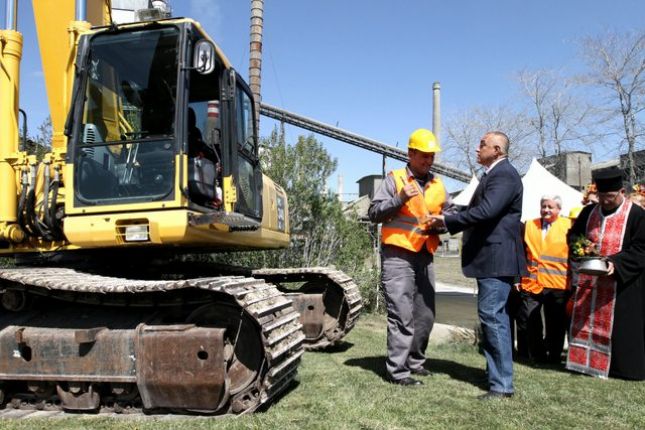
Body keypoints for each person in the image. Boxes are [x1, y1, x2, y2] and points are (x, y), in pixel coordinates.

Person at [430, 131, 526, 399]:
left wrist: (447, 221)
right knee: (495, 317)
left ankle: (501, 384)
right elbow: (482, 209)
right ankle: (496, 375)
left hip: (496, 258)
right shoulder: (494, 175)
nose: (477, 148)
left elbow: (487, 211)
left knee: (492, 317)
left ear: (497, 150)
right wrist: (450, 216)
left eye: (482, 144)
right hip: (492, 258)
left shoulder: (504, 175)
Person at [368, 128, 455, 386]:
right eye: (424, 155)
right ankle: (398, 371)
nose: (429, 160)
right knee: (401, 313)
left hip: (425, 254)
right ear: (411, 153)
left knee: (425, 315)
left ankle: (415, 362)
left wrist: (442, 222)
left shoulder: (438, 185)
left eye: (432, 156)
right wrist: (399, 198)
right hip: (398, 255)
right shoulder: (394, 179)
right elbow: (374, 213)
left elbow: (451, 215)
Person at [566, 167, 645, 380]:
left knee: (623, 329)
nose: (605, 201)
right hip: (590, 283)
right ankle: (584, 363)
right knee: (587, 322)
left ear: (621, 192)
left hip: (623, 285)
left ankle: (621, 369)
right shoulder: (588, 213)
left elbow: (641, 248)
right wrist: (581, 249)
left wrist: (615, 263)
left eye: (609, 196)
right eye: (601, 196)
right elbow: (573, 237)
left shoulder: (636, 215)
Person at [515, 195, 571, 364]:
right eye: (543, 206)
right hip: (532, 283)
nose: (546, 210)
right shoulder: (529, 225)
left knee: (555, 324)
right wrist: (518, 278)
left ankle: (553, 356)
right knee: (531, 321)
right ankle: (537, 355)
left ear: (559, 209)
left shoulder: (569, 226)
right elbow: (520, 253)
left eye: (550, 207)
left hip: (557, 284)